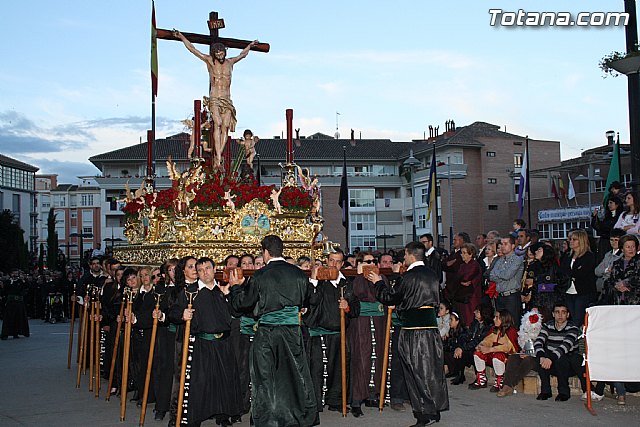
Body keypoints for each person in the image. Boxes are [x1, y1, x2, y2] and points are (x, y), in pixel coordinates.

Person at [228, 235, 317, 427]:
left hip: (267, 334)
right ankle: (295, 418)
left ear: (265, 252)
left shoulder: (260, 275)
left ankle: (268, 420)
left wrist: (235, 288)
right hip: (292, 333)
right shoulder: (299, 274)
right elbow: (311, 299)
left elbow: (243, 305)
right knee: (293, 375)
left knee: (265, 378)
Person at [371, 242, 449, 427]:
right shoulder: (432, 274)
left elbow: (390, 297)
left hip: (413, 332)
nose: (403, 258)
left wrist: (379, 283)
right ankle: (434, 409)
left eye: (405, 255)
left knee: (416, 372)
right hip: (431, 330)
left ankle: (424, 414)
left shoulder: (408, 277)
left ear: (410, 255)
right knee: (431, 370)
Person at [171, 257, 241, 426]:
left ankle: (223, 415)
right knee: (200, 383)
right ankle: (195, 418)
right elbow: (173, 311)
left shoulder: (222, 290)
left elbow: (236, 312)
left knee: (224, 381)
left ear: (214, 268)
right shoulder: (190, 292)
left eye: (208, 268)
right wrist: (182, 315)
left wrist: (230, 295)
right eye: (200, 270)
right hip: (202, 344)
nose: (204, 273)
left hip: (224, 344)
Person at [173, 30, 258, 168]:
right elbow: (193, 49)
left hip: (227, 99)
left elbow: (243, 54)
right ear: (214, 54)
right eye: (217, 53)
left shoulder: (230, 62)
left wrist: (251, 45)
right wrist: (182, 37)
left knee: (225, 126)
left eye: (222, 52)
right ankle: (218, 157)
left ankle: (219, 155)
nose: (220, 55)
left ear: (225, 52)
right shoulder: (210, 62)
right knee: (217, 123)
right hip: (215, 98)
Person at [306, 249, 359, 417]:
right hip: (319, 332)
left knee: (339, 368)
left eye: (338, 262)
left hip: (339, 332)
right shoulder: (318, 282)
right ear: (327, 261)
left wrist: (347, 307)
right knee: (317, 368)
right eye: (331, 261)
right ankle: (316, 402)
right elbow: (309, 301)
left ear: (342, 264)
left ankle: (336, 401)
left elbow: (356, 309)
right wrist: (313, 280)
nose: (334, 264)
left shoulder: (347, 283)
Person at [348, 252, 388, 417]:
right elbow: (358, 294)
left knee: (376, 356)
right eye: (367, 262)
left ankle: (372, 393)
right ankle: (356, 399)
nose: (371, 264)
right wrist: (359, 275)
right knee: (361, 358)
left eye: (373, 261)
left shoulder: (382, 279)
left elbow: (384, 296)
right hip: (361, 322)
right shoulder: (356, 279)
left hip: (379, 321)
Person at [532, 302, 585, 401]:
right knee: (540, 357)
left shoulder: (573, 328)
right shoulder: (548, 326)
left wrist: (550, 358)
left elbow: (565, 347)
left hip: (568, 364)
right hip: (551, 362)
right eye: (557, 312)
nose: (560, 315)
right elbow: (538, 341)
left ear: (568, 314)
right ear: (553, 314)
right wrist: (542, 356)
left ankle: (564, 392)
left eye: (563, 312)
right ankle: (545, 391)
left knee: (562, 358)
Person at [468, 309, 519, 392]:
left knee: (498, 356)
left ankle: (500, 381)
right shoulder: (495, 329)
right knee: (478, 353)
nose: (494, 319)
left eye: (497, 317)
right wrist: (481, 346)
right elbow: (488, 340)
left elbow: (509, 347)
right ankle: (481, 379)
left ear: (503, 319)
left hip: (507, 357)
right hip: (493, 353)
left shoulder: (511, 331)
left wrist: (490, 349)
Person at [559, 229, 597, 327]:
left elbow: (583, 272)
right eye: (570, 239)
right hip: (568, 290)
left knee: (578, 319)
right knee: (571, 318)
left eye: (574, 239)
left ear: (581, 241)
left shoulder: (589, 256)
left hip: (583, 292)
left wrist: (572, 274)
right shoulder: (567, 255)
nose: (571, 241)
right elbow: (562, 271)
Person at [450, 303, 493, 385]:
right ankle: (460, 375)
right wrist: (460, 346)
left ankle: (480, 377)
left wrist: (462, 348)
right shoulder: (475, 323)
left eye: (477, 311)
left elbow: (478, 341)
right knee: (458, 347)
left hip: (481, 348)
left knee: (471, 352)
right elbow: (467, 336)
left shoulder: (488, 327)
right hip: (471, 347)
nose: (474, 312)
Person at [489, 236, 524, 328]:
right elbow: (491, 276)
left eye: (505, 244)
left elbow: (507, 275)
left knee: (513, 324)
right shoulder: (500, 260)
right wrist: (501, 274)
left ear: (512, 246)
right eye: (501, 244)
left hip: (511, 296)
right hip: (500, 296)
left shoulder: (517, 259)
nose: (502, 246)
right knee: (500, 324)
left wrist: (499, 273)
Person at [602, 234, 640, 306]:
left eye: (633, 246)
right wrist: (616, 285)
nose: (631, 249)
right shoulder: (616, 263)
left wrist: (626, 283)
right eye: (628, 247)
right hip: (618, 302)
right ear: (622, 249)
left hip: (636, 302)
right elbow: (610, 280)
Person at [457, 243, 483, 326]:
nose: (462, 255)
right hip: (463, 296)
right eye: (462, 253)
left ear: (471, 254)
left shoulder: (475, 265)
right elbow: (457, 279)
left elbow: (467, 278)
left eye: (464, 253)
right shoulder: (462, 266)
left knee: (470, 318)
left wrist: (461, 281)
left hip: (472, 297)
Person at [591, 196, 623, 262]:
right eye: (608, 203)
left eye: (611, 203)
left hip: (615, 241)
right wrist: (595, 217)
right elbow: (599, 227)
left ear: (617, 204)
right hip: (604, 242)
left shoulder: (621, 216)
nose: (609, 205)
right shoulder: (607, 217)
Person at [595, 228, 624, 299]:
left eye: (616, 240)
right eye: (611, 240)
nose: (613, 242)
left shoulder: (623, 255)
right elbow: (597, 271)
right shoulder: (608, 254)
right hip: (602, 290)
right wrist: (606, 270)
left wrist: (605, 271)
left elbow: (613, 273)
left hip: (614, 291)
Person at [1, 269, 30, 340]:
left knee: (18, 317)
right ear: (11, 274)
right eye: (14, 273)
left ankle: (16, 333)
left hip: (19, 302)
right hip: (11, 302)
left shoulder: (20, 281)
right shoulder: (8, 282)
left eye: (17, 273)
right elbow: (5, 290)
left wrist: (24, 280)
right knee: (8, 318)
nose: (15, 275)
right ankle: (6, 334)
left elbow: (27, 286)